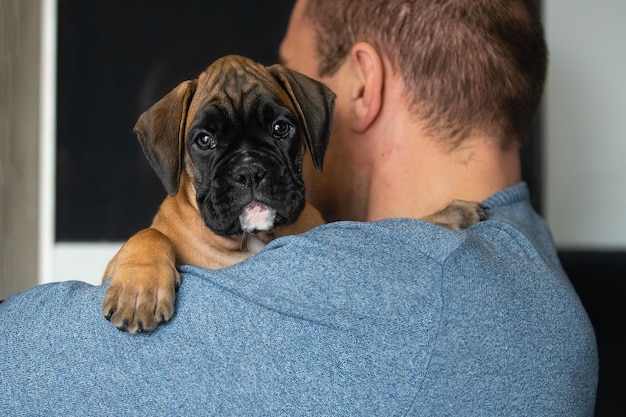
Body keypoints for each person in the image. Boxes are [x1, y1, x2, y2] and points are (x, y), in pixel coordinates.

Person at [0, 0, 597, 415]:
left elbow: (23, 367)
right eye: (210, 141)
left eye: (283, 119)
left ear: (359, 86)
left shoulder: (409, 288)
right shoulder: (529, 271)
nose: (252, 165)